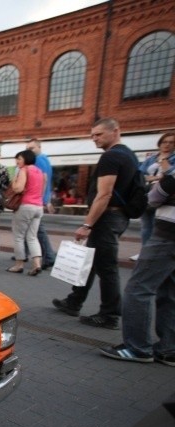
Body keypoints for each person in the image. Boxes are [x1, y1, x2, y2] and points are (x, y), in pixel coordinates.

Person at [52, 118, 137, 330]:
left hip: (107, 217)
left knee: (106, 267)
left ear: (115, 131)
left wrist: (87, 224)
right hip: (117, 216)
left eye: (98, 134)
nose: (94, 139)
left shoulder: (111, 157)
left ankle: (109, 315)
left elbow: (104, 193)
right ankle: (74, 300)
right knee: (90, 262)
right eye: (92, 135)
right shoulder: (129, 154)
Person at [99, 173, 175, 365]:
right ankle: (168, 348)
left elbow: (154, 197)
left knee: (139, 289)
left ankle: (138, 347)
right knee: (169, 291)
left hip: (168, 235)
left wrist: (157, 184)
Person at [6, 149, 46, 276]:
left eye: (19, 159)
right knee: (32, 237)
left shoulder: (24, 170)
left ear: (26, 159)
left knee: (19, 236)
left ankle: (19, 264)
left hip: (26, 206)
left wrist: (14, 181)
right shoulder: (40, 172)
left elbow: (18, 188)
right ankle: (37, 264)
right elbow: (42, 190)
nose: (17, 161)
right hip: (38, 207)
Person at [137, 132, 175, 246]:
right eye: (164, 142)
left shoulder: (172, 158)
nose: (167, 145)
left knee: (157, 225)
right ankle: (144, 249)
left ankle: (153, 251)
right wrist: (154, 177)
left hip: (163, 196)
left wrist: (164, 161)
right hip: (147, 193)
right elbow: (140, 174)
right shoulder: (151, 158)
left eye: (171, 142)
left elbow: (170, 175)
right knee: (145, 225)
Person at [26, 139, 56, 269]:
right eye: (28, 148)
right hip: (39, 199)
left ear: (39, 147)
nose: (29, 151)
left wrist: (42, 199)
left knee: (38, 229)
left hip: (35, 200)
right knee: (31, 227)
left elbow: (43, 180)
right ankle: (23, 252)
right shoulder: (45, 159)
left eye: (32, 148)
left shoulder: (39, 160)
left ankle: (49, 256)